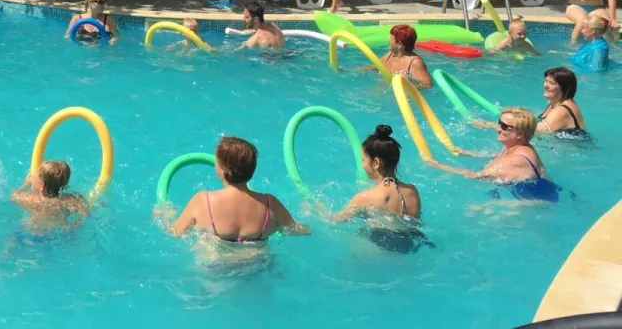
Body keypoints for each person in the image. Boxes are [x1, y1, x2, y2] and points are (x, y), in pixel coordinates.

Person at [166, 136, 310, 241]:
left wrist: (164, 215)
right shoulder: (270, 204)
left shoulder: (203, 201)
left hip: (215, 267)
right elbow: (298, 231)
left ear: (224, 168)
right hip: (259, 265)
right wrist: (314, 209)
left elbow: (175, 233)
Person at [332, 125, 432, 253]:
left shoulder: (364, 197)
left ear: (376, 163)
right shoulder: (412, 191)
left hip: (377, 249)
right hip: (410, 248)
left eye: (363, 160)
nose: (362, 165)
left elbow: (335, 221)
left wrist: (315, 206)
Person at [426, 107, 559, 202]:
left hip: (536, 202)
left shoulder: (517, 160)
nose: (497, 128)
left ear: (520, 134)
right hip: (536, 191)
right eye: (499, 123)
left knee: (475, 210)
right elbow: (496, 156)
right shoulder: (515, 146)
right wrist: (466, 153)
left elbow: (476, 176)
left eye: (504, 126)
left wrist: (439, 165)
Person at [11, 160, 90, 234]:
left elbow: (13, 196)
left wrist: (26, 184)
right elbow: (86, 214)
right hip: (57, 232)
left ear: (42, 185)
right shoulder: (71, 200)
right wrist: (73, 226)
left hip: (31, 230)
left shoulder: (30, 199)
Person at [536, 67, 588, 138]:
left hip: (574, 144)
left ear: (566, 89)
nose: (546, 86)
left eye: (552, 83)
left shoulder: (561, 111)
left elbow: (533, 131)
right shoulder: (555, 102)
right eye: (546, 81)